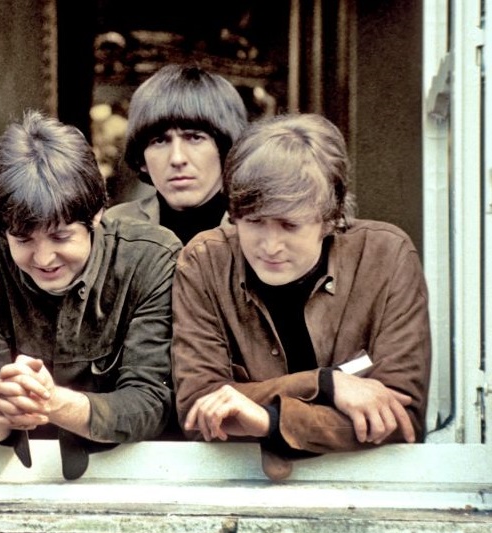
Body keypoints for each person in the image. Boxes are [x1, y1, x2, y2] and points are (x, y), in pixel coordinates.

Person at [171, 113, 432, 480]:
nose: (270, 245)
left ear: (331, 218)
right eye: (253, 222)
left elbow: (400, 418)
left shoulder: (387, 256)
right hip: (235, 480)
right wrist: (325, 384)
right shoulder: (205, 262)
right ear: (233, 214)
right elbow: (199, 410)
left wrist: (270, 422)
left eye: (290, 225)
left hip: (367, 480)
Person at [0, 110, 181, 480]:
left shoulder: (150, 259)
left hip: (131, 476)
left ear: (96, 215)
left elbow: (150, 402)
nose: (43, 258)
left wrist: (52, 401)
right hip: (7, 481)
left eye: (60, 237)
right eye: (22, 240)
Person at [106, 63, 248, 245]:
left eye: (194, 138)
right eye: (159, 141)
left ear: (226, 149)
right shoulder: (115, 229)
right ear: (142, 160)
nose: (177, 159)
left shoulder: (257, 228)